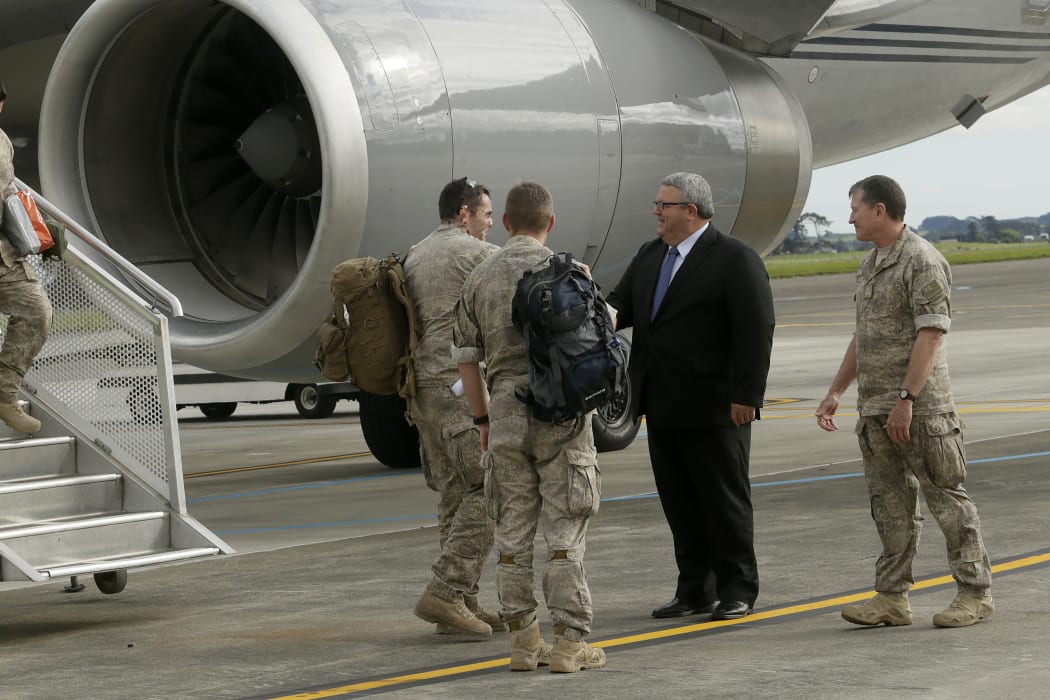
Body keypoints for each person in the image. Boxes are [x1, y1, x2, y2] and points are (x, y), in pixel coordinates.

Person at [816, 175, 993, 629]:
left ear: (879, 210)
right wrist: (837, 390)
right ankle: (892, 598)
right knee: (890, 506)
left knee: (948, 502)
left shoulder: (922, 261)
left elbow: (931, 334)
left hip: (921, 411)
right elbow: (864, 335)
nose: (850, 215)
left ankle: (975, 593)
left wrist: (907, 399)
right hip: (876, 409)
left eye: (854, 206)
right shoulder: (870, 264)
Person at [606, 172, 774, 622]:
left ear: (692, 211)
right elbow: (618, 309)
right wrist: (580, 295)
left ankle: (738, 588)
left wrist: (747, 396)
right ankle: (695, 589)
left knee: (723, 501)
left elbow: (756, 331)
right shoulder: (649, 256)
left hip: (718, 406)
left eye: (664, 204)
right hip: (662, 403)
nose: (656, 212)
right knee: (679, 502)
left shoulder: (735, 258)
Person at [453, 181, 606, 673]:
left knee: (513, 537)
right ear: (551, 223)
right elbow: (601, 338)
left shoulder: (479, 277)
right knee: (564, 534)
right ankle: (568, 644)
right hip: (562, 415)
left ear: (505, 223)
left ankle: (524, 642)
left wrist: (482, 422)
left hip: (504, 416)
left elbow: (467, 362)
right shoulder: (572, 272)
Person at [404, 176, 501, 638]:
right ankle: (446, 591)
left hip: (421, 392)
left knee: (455, 494)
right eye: (484, 214)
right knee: (491, 486)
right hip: (455, 388)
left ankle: (462, 604)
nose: (488, 224)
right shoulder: (472, 252)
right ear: (464, 213)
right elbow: (521, 272)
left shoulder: (416, 251)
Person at [0, 80, 53, 435]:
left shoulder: (2, 141)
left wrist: (37, 230)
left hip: (4, 255)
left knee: (37, 312)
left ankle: (4, 395)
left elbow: (10, 191)